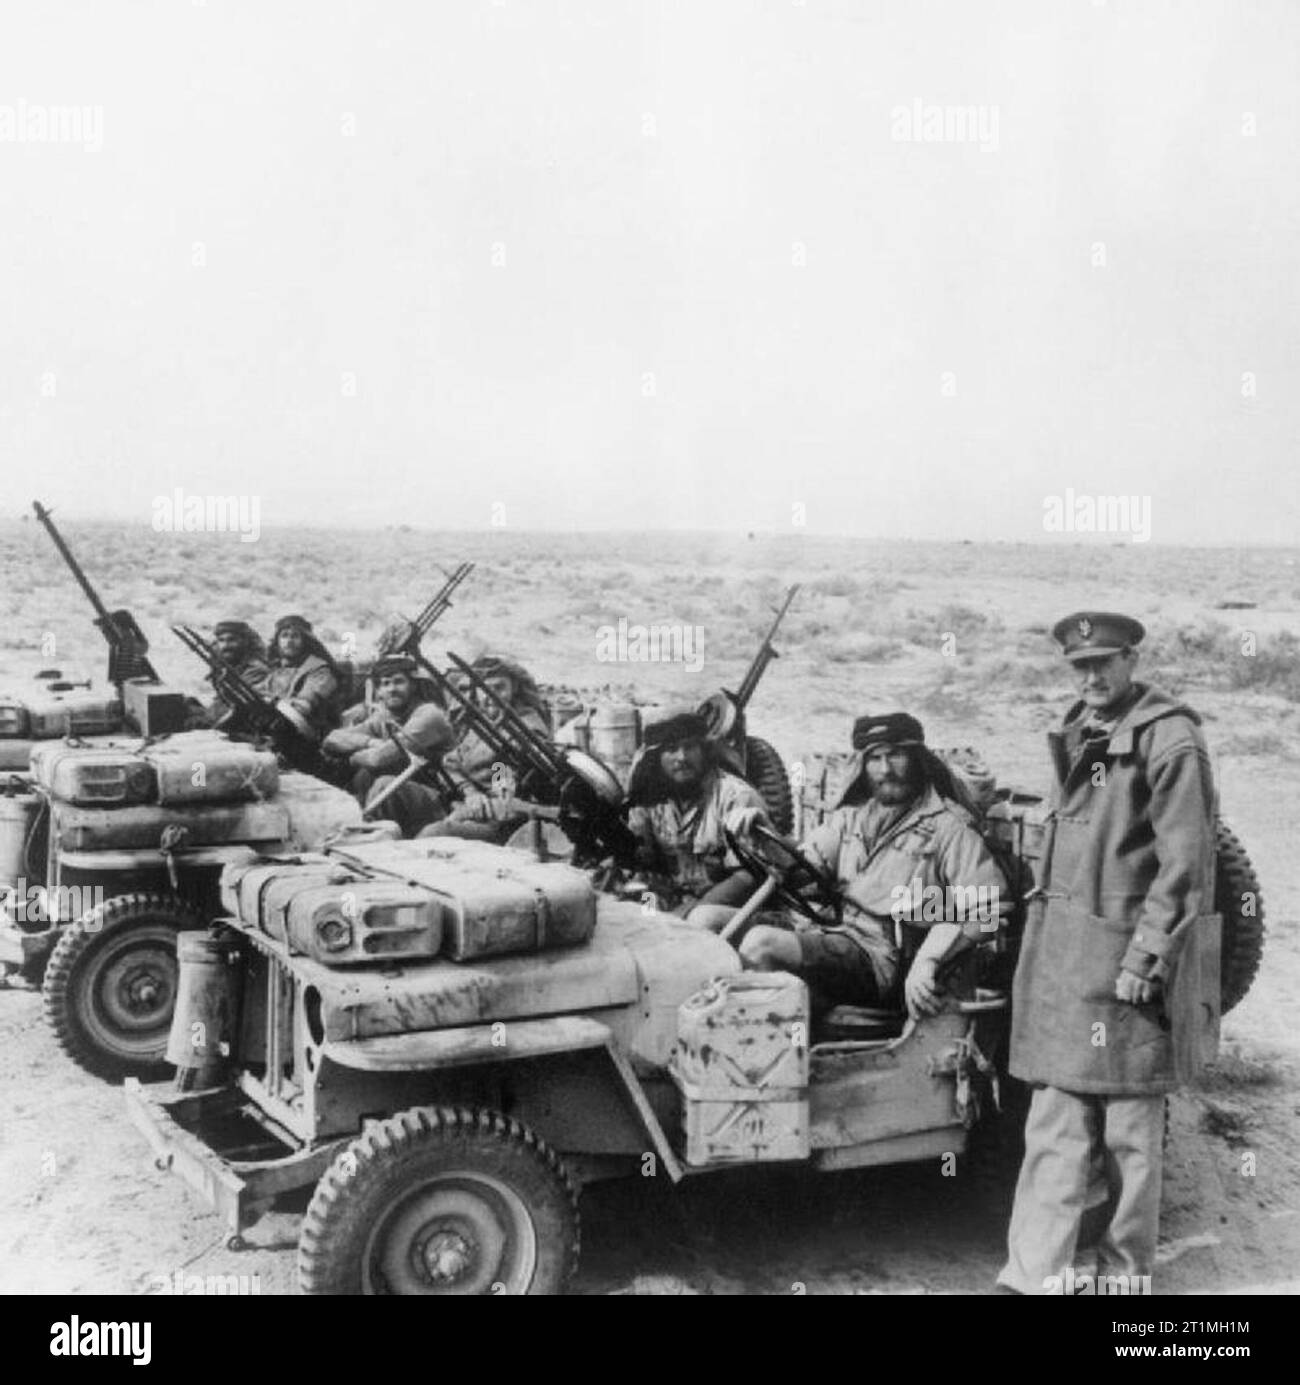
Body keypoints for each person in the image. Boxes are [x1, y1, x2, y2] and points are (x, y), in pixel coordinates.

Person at [996, 613, 1218, 1296]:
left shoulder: (1170, 738)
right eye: (1079, 665)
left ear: (1132, 659)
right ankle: (1033, 1276)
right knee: (1056, 1124)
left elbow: (1186, 864)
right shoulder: (1085, 728)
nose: (1091, 677)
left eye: (1104, 662)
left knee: (1129, 1134)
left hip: (1126, 967)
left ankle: (1125, 1278)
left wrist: (1145, 959)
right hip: (1069, 962)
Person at [740, 713, 1010, 1017]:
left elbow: (990, 913)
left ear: (917, 759)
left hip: (881, 957)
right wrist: (763, 836)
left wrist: (930, 958)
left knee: (760, 944)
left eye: (896, 755)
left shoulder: (950, 829)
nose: (885, 770)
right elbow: (801, 870)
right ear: (863, 765)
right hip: (830, 928)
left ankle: (779, 1051)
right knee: (711, 922)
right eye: (875, 758)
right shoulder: (851, 819)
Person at [624, 707, 770, 930]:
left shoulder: (736, 798)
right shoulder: (652, 800)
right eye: (671, 749)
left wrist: (685, 915)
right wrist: (639, 844)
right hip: (679, 905)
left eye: (690, 747)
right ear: (657, 757)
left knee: (700, 921)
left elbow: (746, 879)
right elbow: (648, 871)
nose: (681, 758)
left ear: (704, 751)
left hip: (737, 913)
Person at [421, 654, 556, 844]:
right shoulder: (484, 721)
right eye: (484, 688)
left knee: (433, 833)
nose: (490, 696)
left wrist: (468, 809)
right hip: (463, 800)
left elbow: (504, 796)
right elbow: (451, 763)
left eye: (499, 688)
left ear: (514, 688)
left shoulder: (523, 731)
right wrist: (470, 793)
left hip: (498, 823)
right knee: (387, 786)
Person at [321, 654, 455, 835]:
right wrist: (370, 741)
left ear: (413, 685)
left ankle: (371, 837)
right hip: (408, 793)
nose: (392, 689)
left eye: (399, 682)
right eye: (385, 683)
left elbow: (379, 759)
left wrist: (354, 757)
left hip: (441, 799)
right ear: (378, 691)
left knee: (382, 782)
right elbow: (332, 739)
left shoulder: (429, 716)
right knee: (365, 776)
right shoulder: (385, 717)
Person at [264, 614, 341, 741]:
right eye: (284, 636)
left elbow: (303, 706)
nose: (289, 641)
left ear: (305, 641)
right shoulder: (276, 670)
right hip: (274, 731)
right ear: (277, 641)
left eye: (295, 636)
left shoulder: (321, 670)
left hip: (308, 736)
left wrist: (271, 703)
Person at [189, 619, 269, 728]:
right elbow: (222, 701)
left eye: (232, 640)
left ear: (245, 642)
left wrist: (204, 719)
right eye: (221, 640)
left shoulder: (255, 670)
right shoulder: (229, 665)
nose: (226, 646)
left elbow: (237, 707)